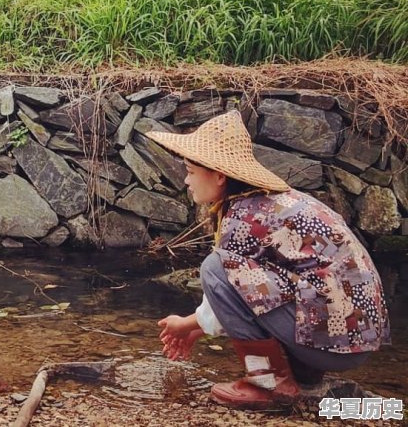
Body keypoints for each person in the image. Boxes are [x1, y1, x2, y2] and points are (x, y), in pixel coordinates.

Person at [149, 110, 390, 410]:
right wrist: (194, 328)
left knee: (215, 267)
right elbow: (243, 299)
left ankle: (268, 384)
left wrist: (185, 325)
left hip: (334, 346)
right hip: (356, 342)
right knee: (232, 271)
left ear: (219, 175)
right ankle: (303, 375)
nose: (186, 180)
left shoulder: (243, 219)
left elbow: (229, 287)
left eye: (190, 171)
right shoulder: (274, 203)